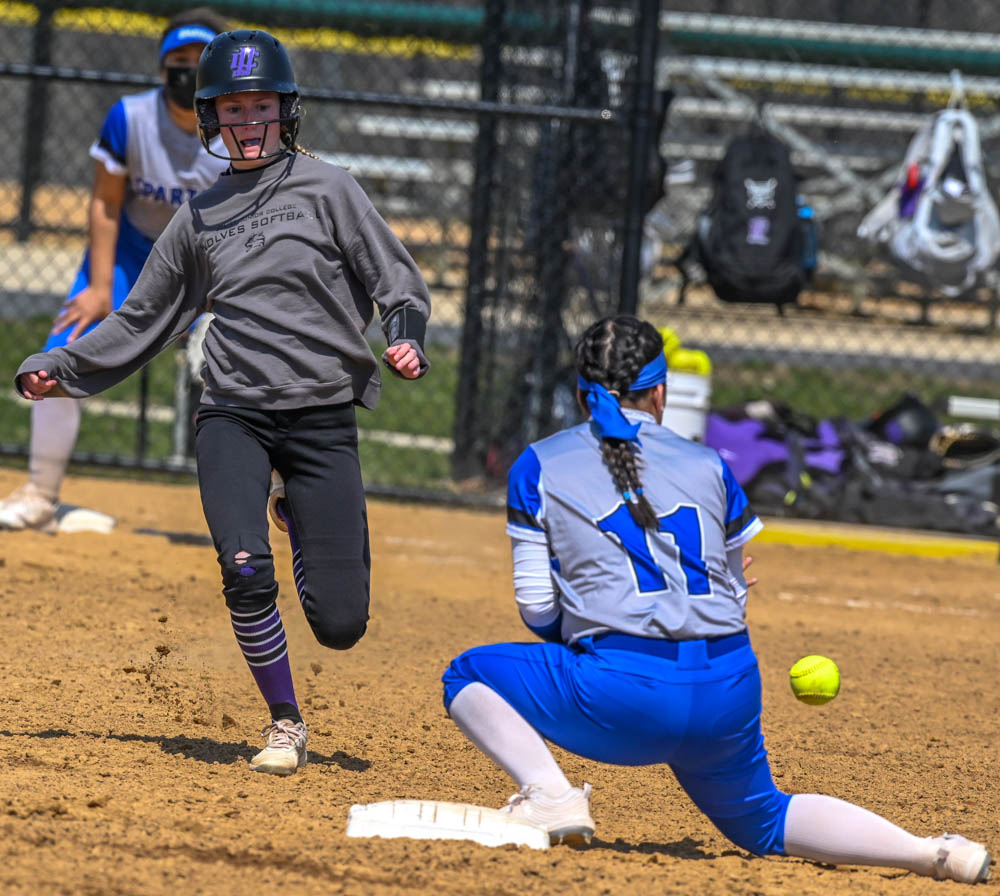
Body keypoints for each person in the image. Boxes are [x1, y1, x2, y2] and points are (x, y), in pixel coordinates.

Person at [441, 316, 991, 884]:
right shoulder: (709, 463)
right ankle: (932, 853)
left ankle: (551, 797)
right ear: (660, 392)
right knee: (764, 818)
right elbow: (731, 594)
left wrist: (591, 636)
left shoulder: (539, 462)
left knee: (466, 674)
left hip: (623, 700)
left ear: (581, 394)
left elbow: (535, 606)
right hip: (727, 690)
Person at [14, 29, 432, 777]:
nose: (247, 121)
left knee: (341, 623)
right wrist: (61, 367)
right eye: (231, 108)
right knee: (243, 570)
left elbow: (397, 283)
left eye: (261, 105)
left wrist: (405, 338)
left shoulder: (332, 188)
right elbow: (141, 320)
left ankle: (295, 510)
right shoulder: (199, 217)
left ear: (287, 110)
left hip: (320, 417)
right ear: (210, 118)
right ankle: (284, 721)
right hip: (232, 411)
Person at [0, 7, 231, 533]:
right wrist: (101, 288)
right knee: (64, 344)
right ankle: (40, 494)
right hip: (133, 254)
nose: (186, 70)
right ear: (159, 68)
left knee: (248, 365)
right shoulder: (130, 118)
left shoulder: (236, 132)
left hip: (209, 264)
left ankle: (271, 502)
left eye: (200, 62)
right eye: (177, 60)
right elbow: (106, 203)